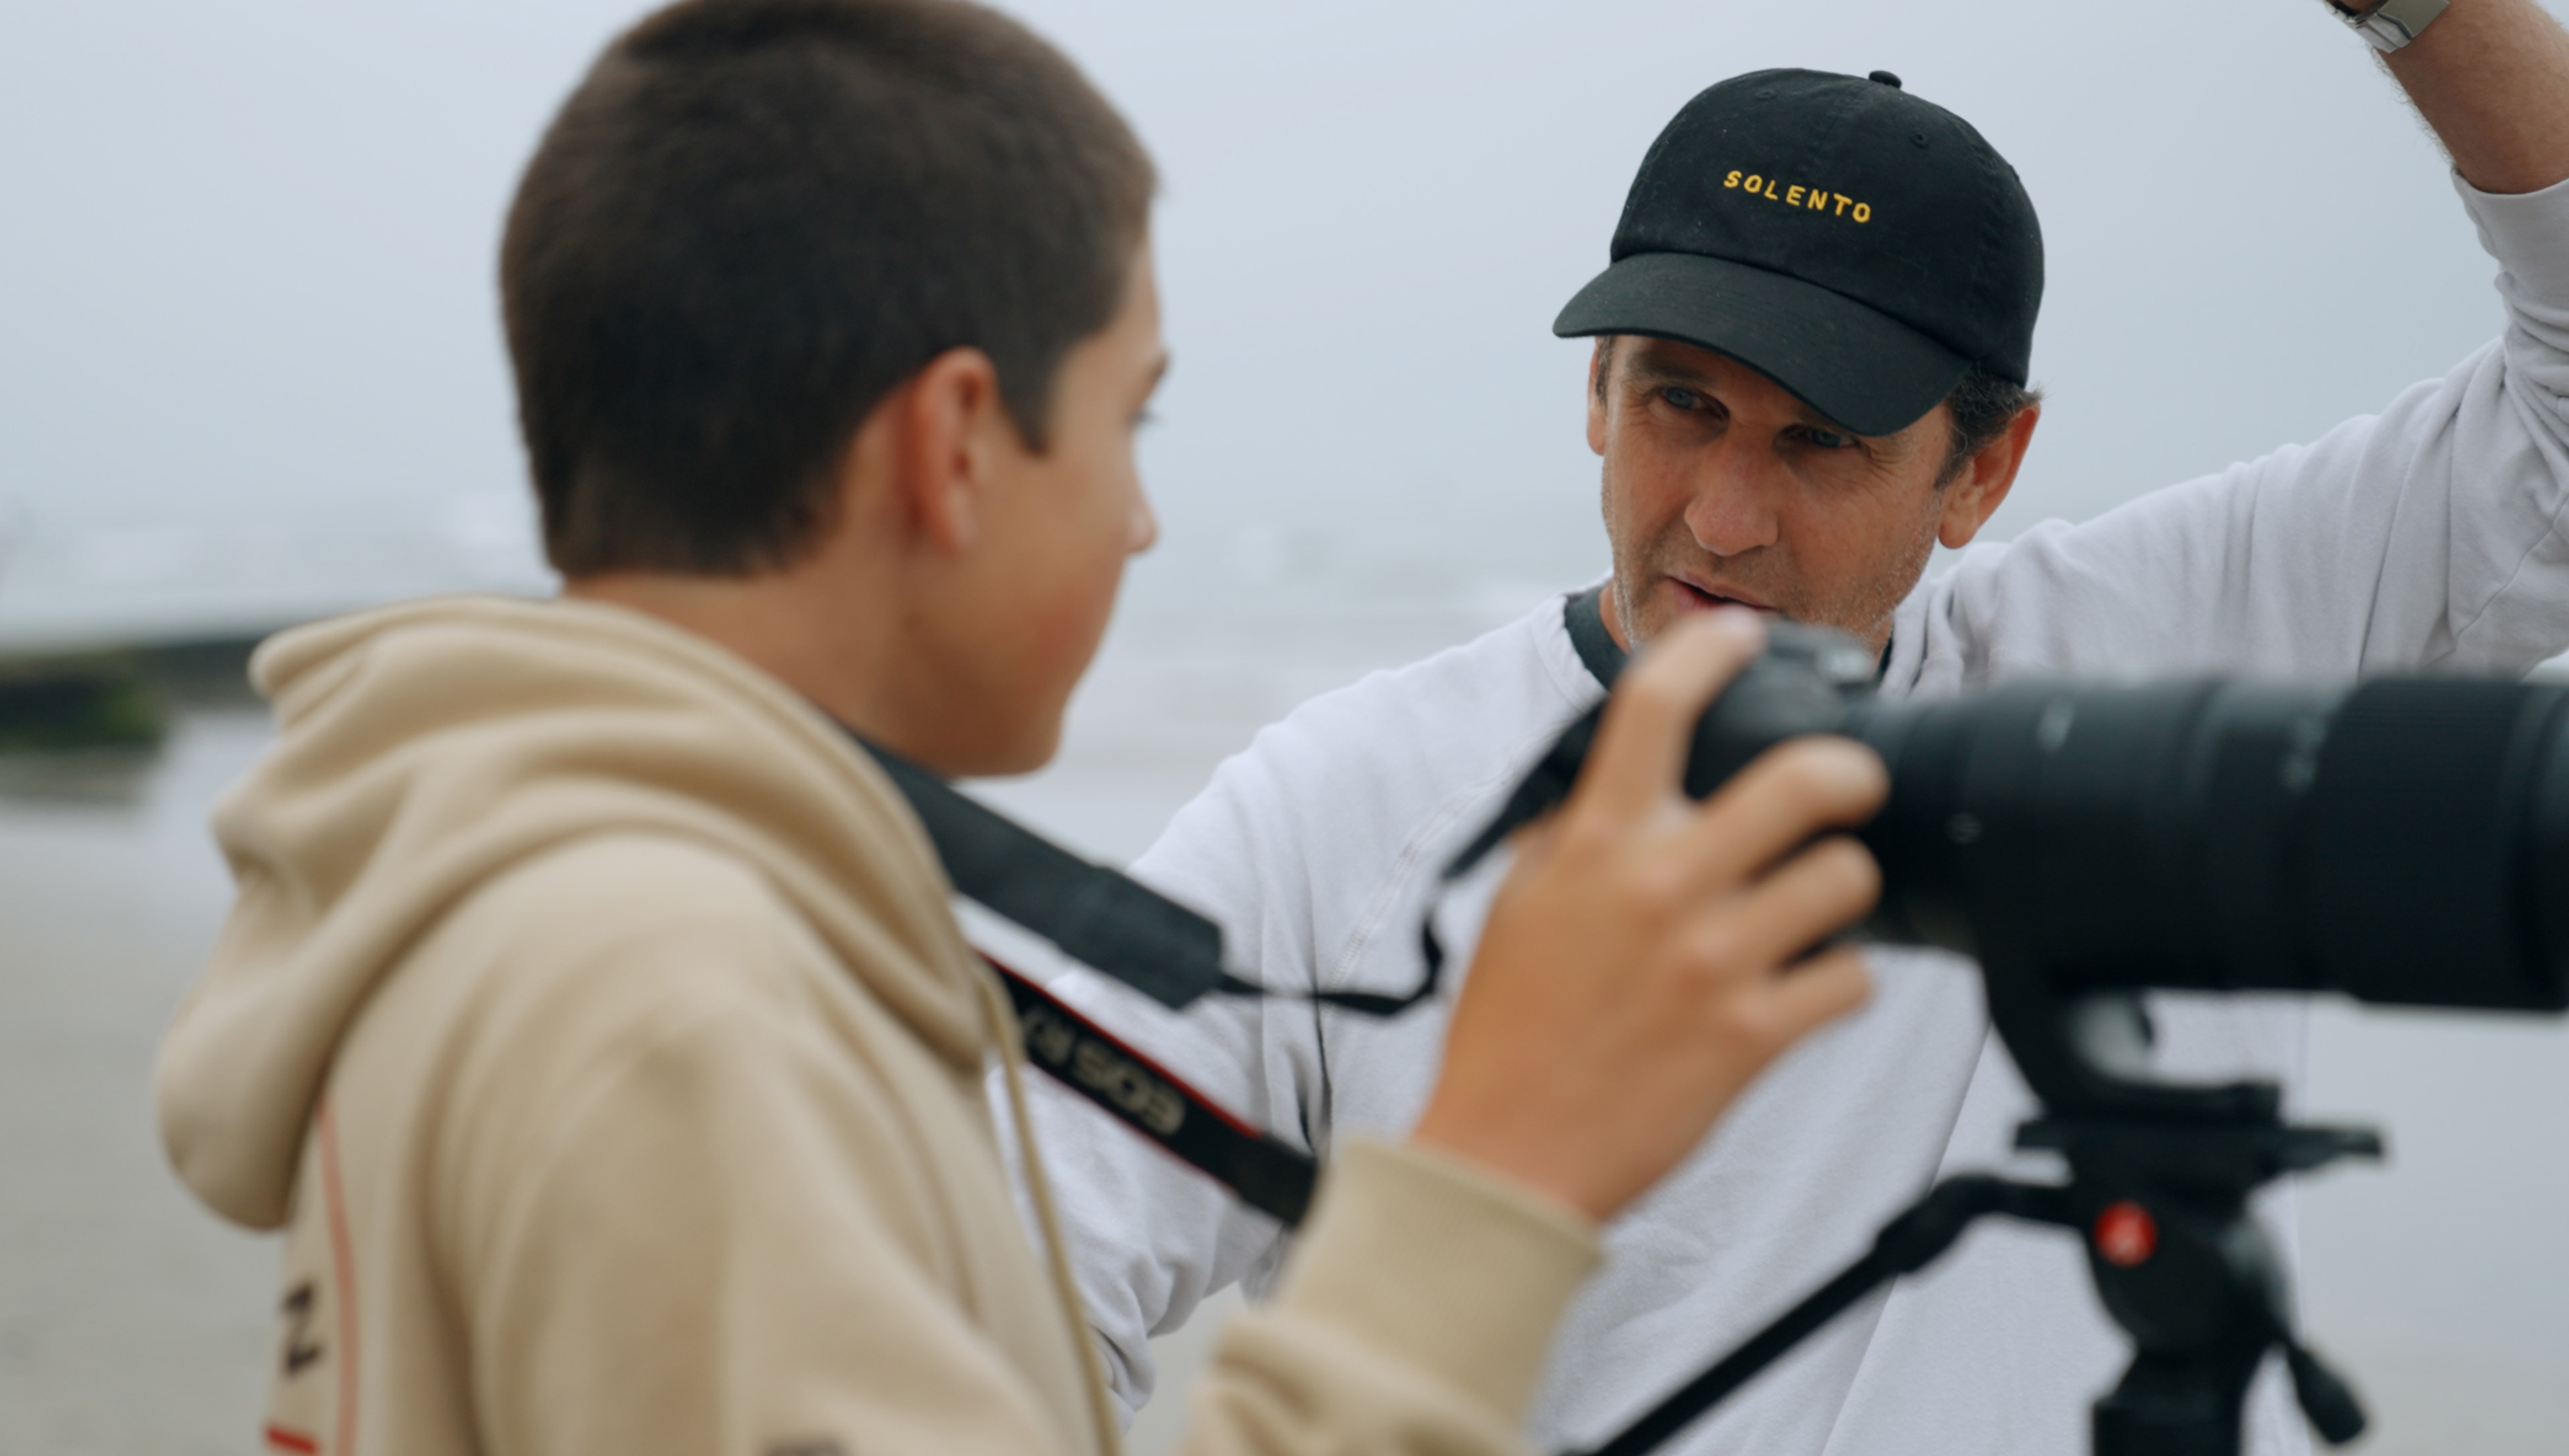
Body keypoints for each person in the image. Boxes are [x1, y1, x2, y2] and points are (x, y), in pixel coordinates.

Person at [149, 3, 1895, 1454]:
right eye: (1131, 419)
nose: (1141, 520)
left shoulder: (494, 899)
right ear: (956, 444)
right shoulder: (674, 1006)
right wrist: (1493, 1179)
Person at [1022, 3, 2569, 1453]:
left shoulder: (2161, 663)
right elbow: (1009, 1287)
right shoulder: (1346, 818)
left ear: (1985, 468)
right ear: (1595, 390)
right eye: (1678, 404)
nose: (1722, 516)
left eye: (1820, 440)